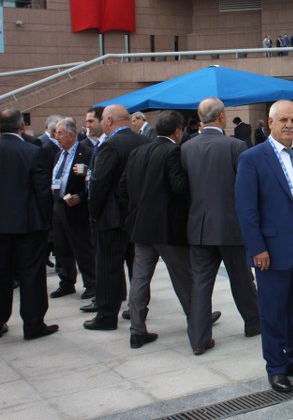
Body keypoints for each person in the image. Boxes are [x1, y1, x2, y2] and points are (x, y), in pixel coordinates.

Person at [236, 100, 293, 393]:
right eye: (283, 120)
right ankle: (276, 367)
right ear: (270, 123)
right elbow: (246, 209)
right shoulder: (252, 158)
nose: (289, 125)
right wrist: (257, 248)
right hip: (272, 250)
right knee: (273, 311)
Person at [120, 111, 219, 349]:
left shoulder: (138, 152)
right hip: (167, 227)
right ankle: (198, 324)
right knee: (184, 278)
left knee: (140, 279)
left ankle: (137, 330)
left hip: (141, 226)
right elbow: (179, 186)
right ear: (177, 131)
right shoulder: (173, 151)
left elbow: (123, 186)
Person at [181, 98, 260, 354]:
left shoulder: (186, 148)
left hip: (199, 226)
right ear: (222, 116)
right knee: (241, 279)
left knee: (201, 284)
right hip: (230, 225)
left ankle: (199, 338)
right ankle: (254, 322)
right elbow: (245, 189)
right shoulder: (235, 146)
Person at [84, 105, 150, 330]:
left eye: (102, 120)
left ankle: (106, 316)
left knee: (108, 267)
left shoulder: (110, 145)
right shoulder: (144, 142)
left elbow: (99, 183)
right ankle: (137, 309)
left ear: (109, 120)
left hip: (112, 218)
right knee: (138, 268)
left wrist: (94, 213)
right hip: (138, 216)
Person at [1, 108, 58, 340]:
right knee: (32, 275)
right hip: (29, 225)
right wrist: (46, 221)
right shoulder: (33, 151)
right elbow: (43, 192)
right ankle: (33, 324)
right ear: (22, 126)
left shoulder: (33, 150)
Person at [49, 118, 95, 300]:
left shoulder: (87, 153)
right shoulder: (58, 155)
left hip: (77, 207)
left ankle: (92, 283)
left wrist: (80, 197)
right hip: (59, 206)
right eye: (55, 133)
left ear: (70, 135)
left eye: (59, 133)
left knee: (82, 247)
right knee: (61, 247)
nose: (56, 137)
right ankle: (66, 282)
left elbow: (93, 180)